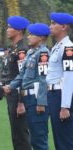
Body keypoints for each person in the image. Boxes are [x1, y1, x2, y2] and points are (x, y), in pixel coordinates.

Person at [9, 23, 50, 150]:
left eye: (32, 34)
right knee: (34, 138)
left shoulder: (43, 54)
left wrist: (41, 103)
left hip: (36, 98)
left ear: (41, 38)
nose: (28, 37)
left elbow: (44, 79)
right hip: (29, 98)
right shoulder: (31, 53)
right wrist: (10, 87)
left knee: (39, 139)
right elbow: (22, 75)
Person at [46, 12, 73, 150]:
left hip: (60, 95)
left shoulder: (68, 48)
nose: (50, 26)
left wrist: (65, 106)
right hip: (53, 95)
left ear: (63, 27)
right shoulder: (57, 46)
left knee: (65, 140)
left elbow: (69, 78)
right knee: (58, 139)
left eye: (53, 23)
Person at [5, 16, 31, 150]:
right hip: (12, 95)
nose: (7, 29)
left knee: (21, 134)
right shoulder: (15, 48)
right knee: (16, 134)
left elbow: (24, 77)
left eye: (10, 27)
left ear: (19, 30)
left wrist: (21, 102)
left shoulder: (22, 50)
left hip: (18, 96)